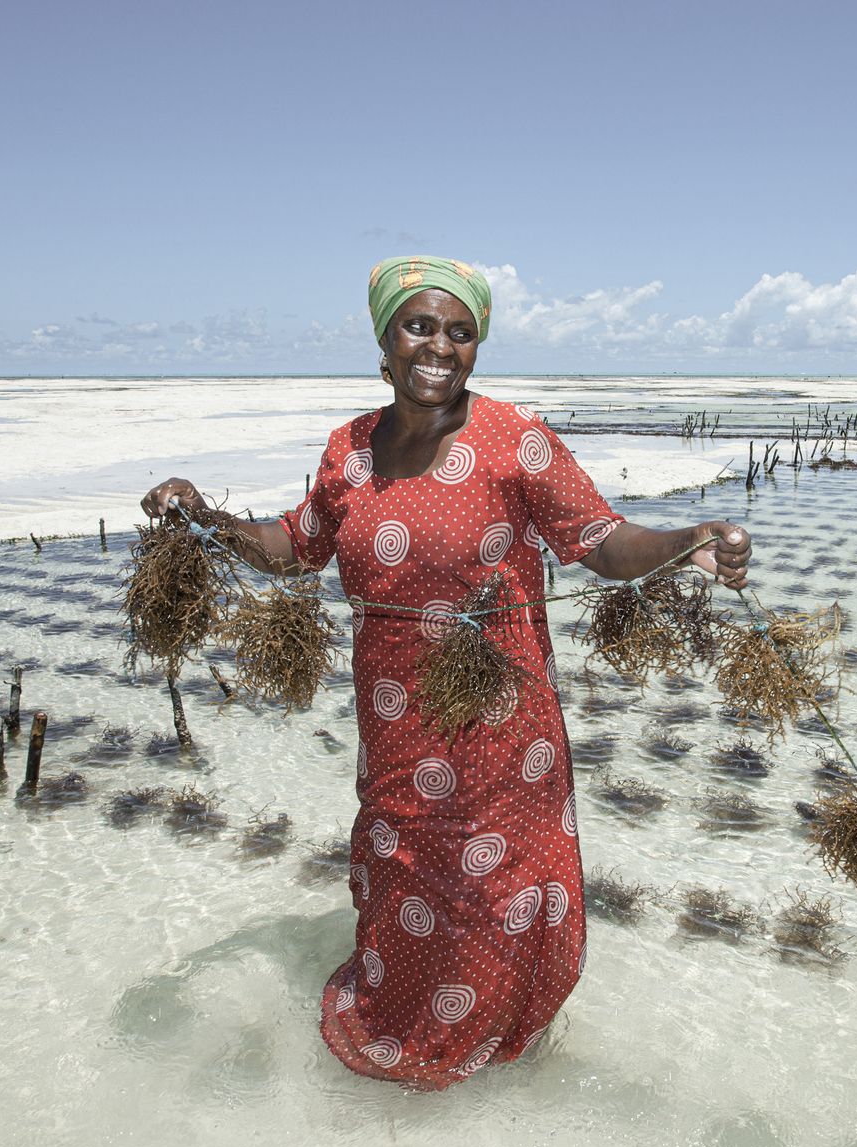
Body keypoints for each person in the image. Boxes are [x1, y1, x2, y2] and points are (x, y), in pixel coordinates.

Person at [141, 256, 750, 1090]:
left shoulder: (515, 440)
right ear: (385, 339)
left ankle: (495, 1045)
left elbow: (602, 542)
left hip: (500, 728)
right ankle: (406, 1030)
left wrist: (689, 541)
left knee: (495, 884)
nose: (439, 346)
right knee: (406, 869)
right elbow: (296, 546)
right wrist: (205, 516)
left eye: (460, 332)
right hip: (395, 726)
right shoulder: (349, 450)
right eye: (419, 326)